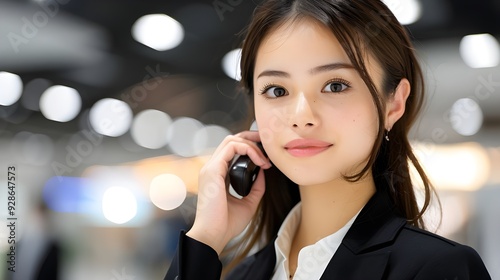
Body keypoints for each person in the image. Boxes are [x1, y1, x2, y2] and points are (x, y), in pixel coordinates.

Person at [164, 0, 492, 279]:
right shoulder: (243, 274)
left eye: (335, 85)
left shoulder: (437, 269)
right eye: (277, 90)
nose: (301, 115)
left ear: (393, 103)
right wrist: (205, 239)